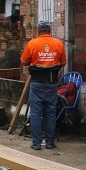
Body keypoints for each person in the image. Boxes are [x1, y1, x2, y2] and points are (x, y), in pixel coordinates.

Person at [21, 20, 66, 150]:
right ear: (50, 30)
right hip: (52, 83)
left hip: (37, 83)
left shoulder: (32, 44)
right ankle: (50, 142)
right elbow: (63, 62)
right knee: (51, 113)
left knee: (36, 113)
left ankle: (36, 143)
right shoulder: (58, 44)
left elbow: (24, 61)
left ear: (38, 30)